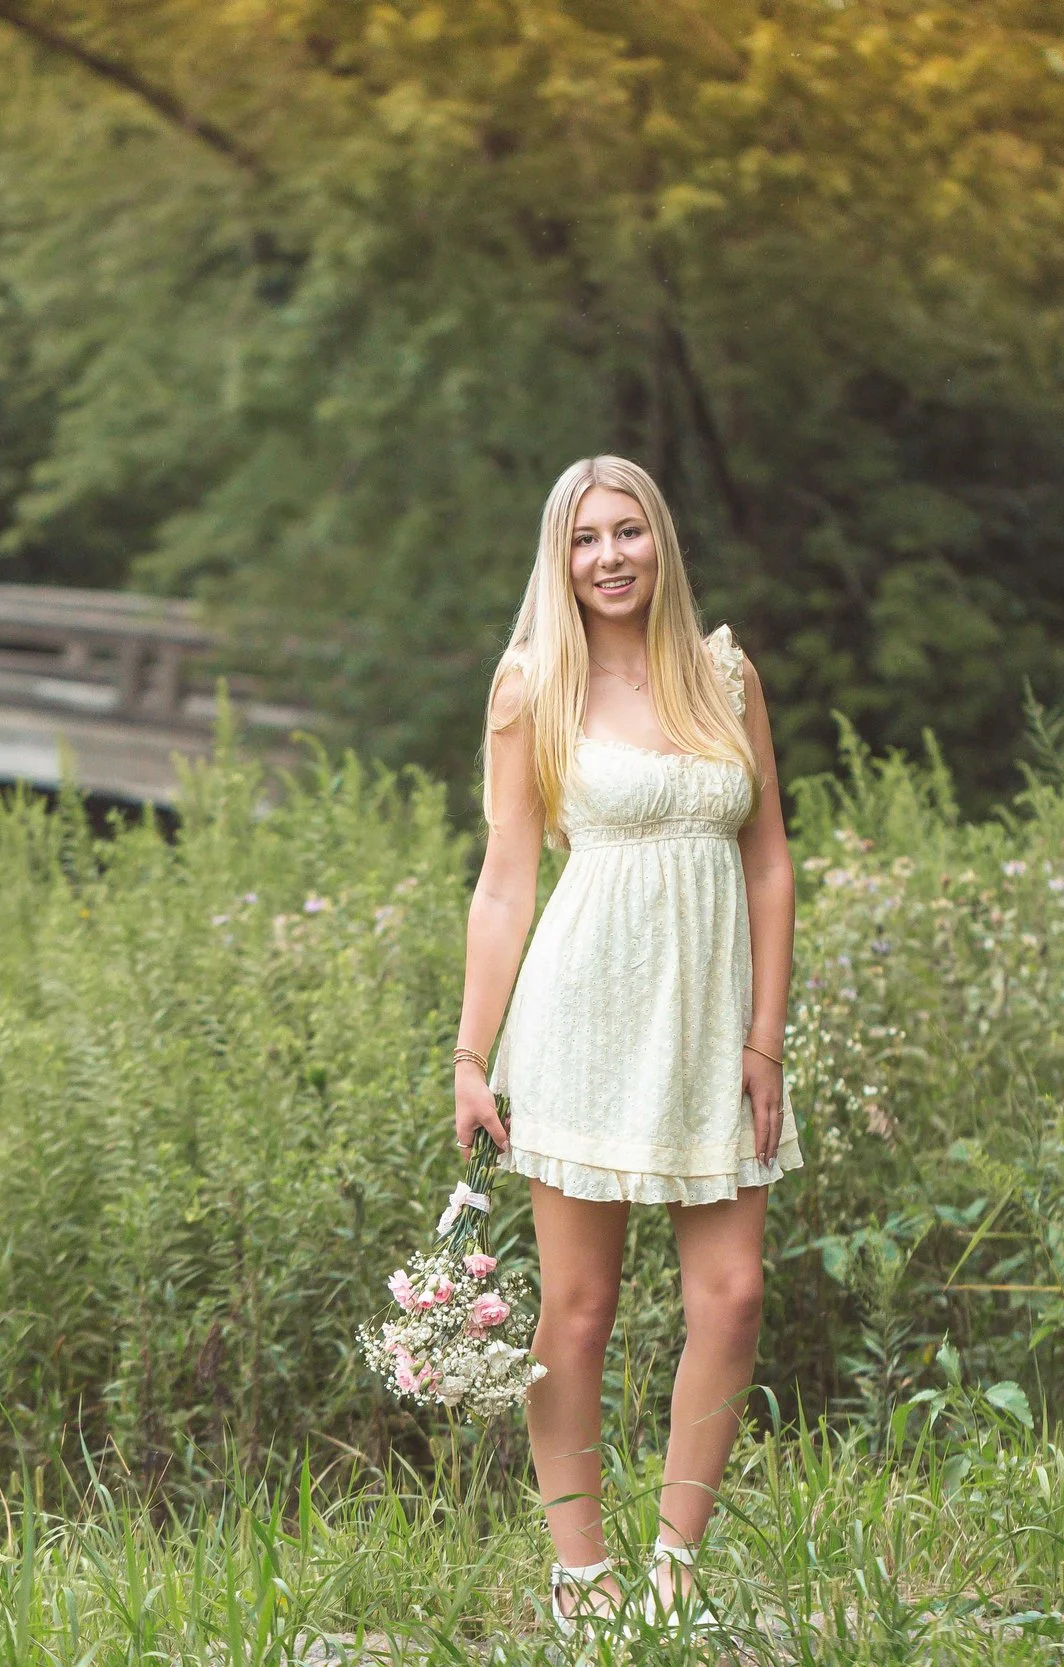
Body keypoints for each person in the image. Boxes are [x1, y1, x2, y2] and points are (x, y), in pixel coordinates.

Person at [450, 455, 801, 1630]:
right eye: (585, 537)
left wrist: (765, 1039)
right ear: (560, 557)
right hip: (581, 1017)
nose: (610, 556)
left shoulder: (723, 675)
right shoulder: (530, 685)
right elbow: (505, 882)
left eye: (629, 530)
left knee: (734, 1295)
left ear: (661, 542)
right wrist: (470, 1056)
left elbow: (768, 861)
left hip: (713, 1025)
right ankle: (581, 1573)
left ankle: (675, 1566)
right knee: (579, 1305)